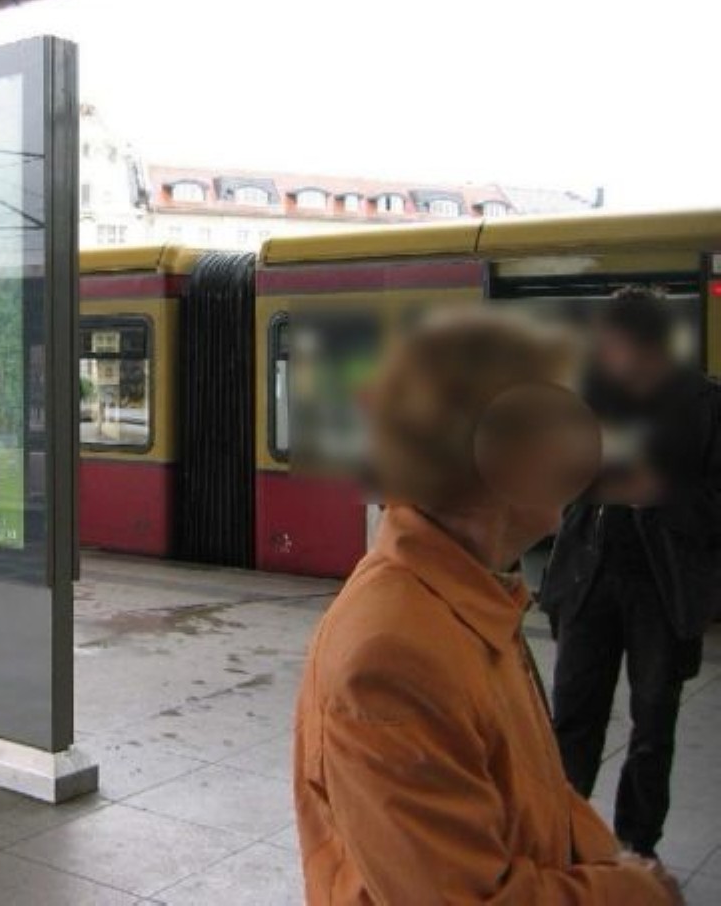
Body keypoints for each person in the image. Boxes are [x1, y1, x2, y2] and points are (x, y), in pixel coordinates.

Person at [293, 311, 681, 904]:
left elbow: (540, 796)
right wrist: (633, 892)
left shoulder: (466, 600)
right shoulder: (393, 658)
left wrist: (615, 864)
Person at [541, 287, 721, 861]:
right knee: (573, 717)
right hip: (588, 581)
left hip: (663, 590)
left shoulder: (706, 406)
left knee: (652, 728)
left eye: (616, 346)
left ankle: (637, 848)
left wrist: (659, 494)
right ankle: (563, 838)